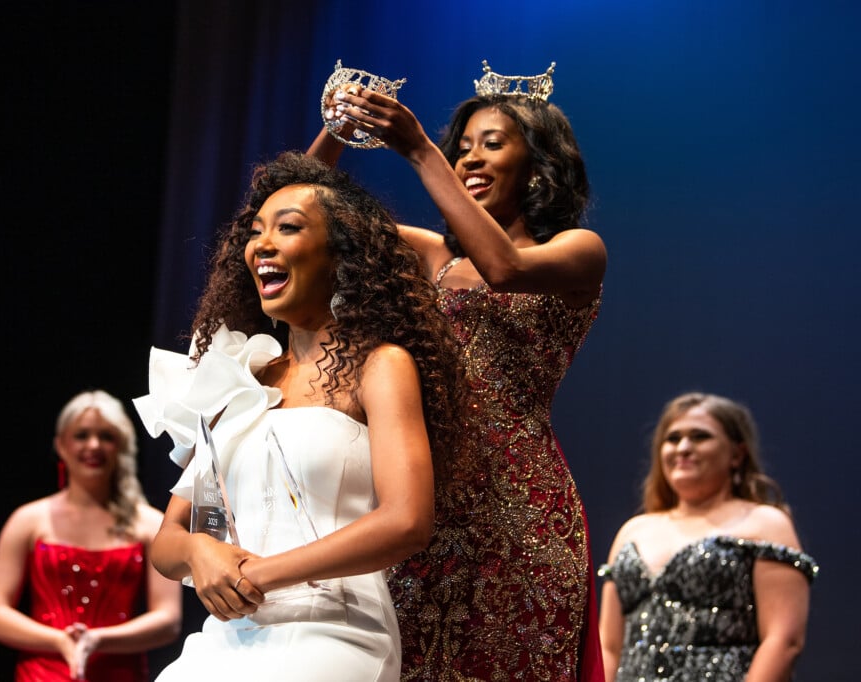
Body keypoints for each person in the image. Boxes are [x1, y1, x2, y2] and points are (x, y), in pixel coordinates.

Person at [308, 61, 607, 680]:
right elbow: (309, 214)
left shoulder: (576, 250)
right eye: (460, 147)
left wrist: (419, 149)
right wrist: (340, 127)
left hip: (520, 510)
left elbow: (503, 271)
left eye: (492, 144)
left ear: (538, 165)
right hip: (420, 496)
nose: (469, 159)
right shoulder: (429, 254)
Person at [132, 151, 467, 682]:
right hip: (230, 634)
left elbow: (407, 521)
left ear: (341, 255)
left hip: (334, 629)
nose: (262, 244)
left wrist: (259, 574)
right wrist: (201, 552)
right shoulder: (242, 376)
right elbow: (170, 539)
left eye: (288, 228)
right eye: (257, 231)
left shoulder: (379, 366)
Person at [597, 392, 818, 682]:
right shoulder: (633, 530)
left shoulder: (765, 523)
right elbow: (609, 645)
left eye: (700, 437)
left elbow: (783, 640)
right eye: (672, 438)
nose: (683, 448)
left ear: (737, 454)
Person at [0, 390, 182, 681]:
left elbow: (168, 620)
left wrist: (98, 640)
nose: (94, 445)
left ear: (121, 446)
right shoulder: (27, 520)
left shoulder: (150, 524)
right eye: (82, 435)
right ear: (61, 445)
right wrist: (60, 640)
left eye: (106, 436)